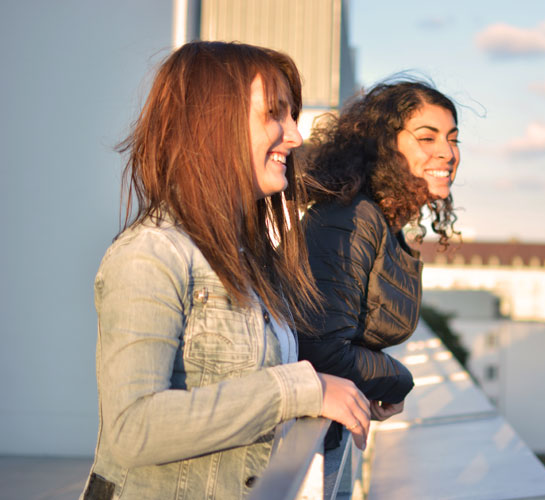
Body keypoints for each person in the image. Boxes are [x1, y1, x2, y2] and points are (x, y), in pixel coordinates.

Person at [80, 41, 370, 500]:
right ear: (214, 123)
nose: (295, 136)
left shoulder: (250, 258)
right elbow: (132, 428)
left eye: (292, 116)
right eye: (276, 114)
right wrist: (297, 390)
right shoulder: (151, 254)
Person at [298, 80, 461, 447]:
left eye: (453, 138)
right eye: (428, 138)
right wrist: (398, 380)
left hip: (328, 430)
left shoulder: (383, 223)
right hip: (299, 449)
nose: (447, 152)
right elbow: (321, 351)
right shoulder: (351, 217)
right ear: (385, 145)